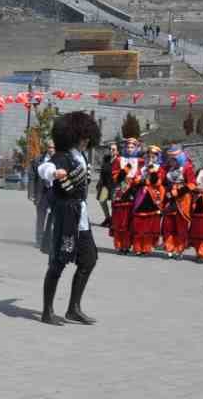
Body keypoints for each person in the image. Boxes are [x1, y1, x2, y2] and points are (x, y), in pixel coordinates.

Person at [38, 111, 101, 325]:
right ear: (73, 136)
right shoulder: (62, 156)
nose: (86, 141)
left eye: (88, 137)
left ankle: (74, 308)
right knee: (58, 262)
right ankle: (47, 311)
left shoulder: (82, 156)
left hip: (81, 215)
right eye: (83, 137)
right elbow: (45, 167)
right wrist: (53, 174)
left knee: (89, 259)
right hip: (65, 215)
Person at [159, 144, 196, 259]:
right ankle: (169, 247)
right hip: (169, 199)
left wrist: (177, 192)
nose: (171, 161)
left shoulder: (187, 167)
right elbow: (162, 181)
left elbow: (192, 184)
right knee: (168, 226)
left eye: (173, 159)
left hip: (183, 200)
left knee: (181, 226)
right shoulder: (167, 168)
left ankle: (180, 249)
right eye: (170, 159)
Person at [107, 138, 143, 253]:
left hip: (134, 192)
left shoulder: (140, 161)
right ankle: (119, 245)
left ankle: (127, 245)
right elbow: (115, 177)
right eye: (128, 147)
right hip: (120, 193)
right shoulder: (119, 160)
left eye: (132, 147)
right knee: (119, 220)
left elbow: (143, 174)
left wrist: (138, 180)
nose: (129, 149)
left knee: (129, 221)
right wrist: (126, 169)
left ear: (136, 148)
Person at [129, 146, 165, 256]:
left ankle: (146, 248)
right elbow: (136, 180)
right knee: (139, 225)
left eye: (153, 157)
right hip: (141, 197)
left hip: (153, 199)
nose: (150, 159)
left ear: (157, 158)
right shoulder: (142, 168)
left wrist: (151, 172)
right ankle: (137, 247)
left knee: (149, 226)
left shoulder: (159, 169)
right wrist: (142, 181)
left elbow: (157, 182)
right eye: (148, 157)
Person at [95, 142, 116, 227]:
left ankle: (114, 221)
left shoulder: (119, 160)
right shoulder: (106, 158)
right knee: (102, 200)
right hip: (105, 184)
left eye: (113, 149)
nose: (111, 151)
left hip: (115, 185)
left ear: (117, 151)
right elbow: (102, 171)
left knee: (114, 204)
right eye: (110, 149)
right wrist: (99, 182)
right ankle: (108, 218)